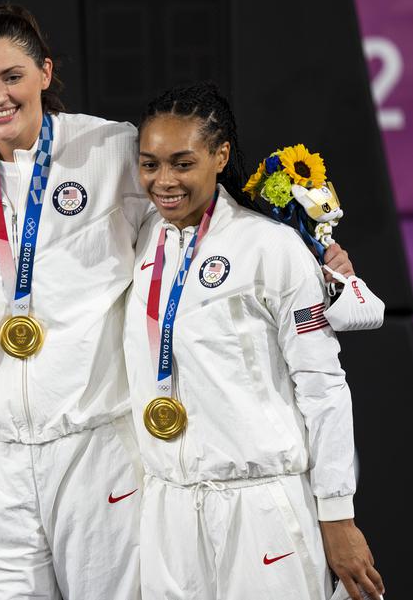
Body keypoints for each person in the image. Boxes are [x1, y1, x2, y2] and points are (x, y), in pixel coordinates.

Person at [0, 4, 354, 600]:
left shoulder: (110, 149)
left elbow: (197, 215)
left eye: (12, 76)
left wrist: (311, 251)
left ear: (45, 72)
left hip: (95, 447)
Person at [125, 81, 384, 600]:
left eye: (182, 162)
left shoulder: (271, 246)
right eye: (150, 164)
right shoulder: (141, 237)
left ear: (221, 156)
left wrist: (337, 515)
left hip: (260, 508)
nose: (164, 180)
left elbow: (324, 387)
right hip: (167, 510)